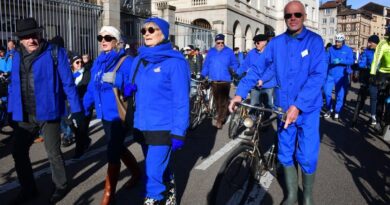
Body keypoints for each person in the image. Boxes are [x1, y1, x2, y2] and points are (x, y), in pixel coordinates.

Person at [229, 1, 327, 205]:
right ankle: (291, 195)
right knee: (285, 153)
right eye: (288, 15)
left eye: (297, 14)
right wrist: (240, 93)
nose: (292, 18)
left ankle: (307, 197)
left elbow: (318, 76)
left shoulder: (314, 41)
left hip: (307, 109)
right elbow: (257, 68)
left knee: (307, 156)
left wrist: (298, 105)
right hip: (283, 108)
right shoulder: (276, 43)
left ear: (304, 17)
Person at [8, 17, 85, 204]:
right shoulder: (16, 54)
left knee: (53, 153)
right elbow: (13, 84)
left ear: (40, 34)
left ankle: (61, 185)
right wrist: (11, 111)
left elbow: (68, 84)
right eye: (26, 37)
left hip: (48, 112)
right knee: (18, 151)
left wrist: (77, 111)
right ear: (20, 39)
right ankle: (28, 188)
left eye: (34, 35)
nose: (31, 40)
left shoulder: (54, 52)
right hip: (25, 114)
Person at [127, 17, 190, 204]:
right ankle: (170, 190)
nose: (147, 33)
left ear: (163, 33)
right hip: (142, 124)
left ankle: (153, 198)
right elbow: (133, 86)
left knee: (152, 171)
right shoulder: (139, 59)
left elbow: (181, 100)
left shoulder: (175, 62)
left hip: (164, 126)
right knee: (157, 166)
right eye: (144, 30)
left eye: (151, 30)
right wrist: (128, 88)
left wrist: (179, 131)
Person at [82, 25, 141, 204]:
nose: (103, 42)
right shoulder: (98, 62)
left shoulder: (126, 61)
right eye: (101, 38)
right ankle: (137, 172)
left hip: (118, 115)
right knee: (116, 146)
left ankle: (109, 194)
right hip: (104, 114)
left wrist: (121, 81)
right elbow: (92, 88)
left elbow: (136, 85)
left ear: (116, 42)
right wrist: (83, 109)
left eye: (108, 38)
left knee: (113, 150)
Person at [236, 34, 276, 135]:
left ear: (264, 42)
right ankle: (252, 126)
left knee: (268, 106)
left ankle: (265, 120)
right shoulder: (252, 53)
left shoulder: (271, 53)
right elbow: (245, 65)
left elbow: (272, 70)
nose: (256, 44)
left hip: (268, 84)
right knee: (254, 105)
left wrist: (263, 79)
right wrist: (237, 73)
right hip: (255, 84)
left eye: (258, 42)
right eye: (254, 42)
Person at [201, 34, 239, 129]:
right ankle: (220, 114)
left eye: (222, 42)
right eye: (218, 43)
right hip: (214, 80)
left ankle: (220, 120)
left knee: (223, 101)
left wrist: (234, 69)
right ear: (215, 42)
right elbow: (206, 65)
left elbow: (235, 63)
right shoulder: (211, 52)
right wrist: (203, 74)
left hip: (225, 81)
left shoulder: (229, 51)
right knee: (217, 101)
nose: (220, 44)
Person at [323, 33, 354, 120]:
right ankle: (329, 109)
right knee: (327, 93)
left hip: (341, 76)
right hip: (330, 75)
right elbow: (325, 60)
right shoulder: (330, 49)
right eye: (336, 41)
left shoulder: (348, 50)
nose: (337, 43)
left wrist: (341, 60)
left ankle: (337, 111)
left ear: (343, 41)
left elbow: (351, 61)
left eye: (339, 42)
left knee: (340, 95)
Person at [69, 53, 92, 159]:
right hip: (72, 106)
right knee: (72, 126)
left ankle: (78, 151)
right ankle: (86, 140)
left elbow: (86, 89)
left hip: (84, 105)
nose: (80, 64)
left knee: (81, 129)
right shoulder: (70, 76)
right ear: (72, 65)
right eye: (77, 62)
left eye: (81, 62)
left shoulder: (87, 73)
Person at [370, 25, 390, 132]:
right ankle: (378, 120)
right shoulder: (383, 44)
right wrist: (373, 75)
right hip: (383, 73)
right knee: (381, 98)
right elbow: (376, 60)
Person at [357, 35, 379, 125]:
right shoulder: (367, 52)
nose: (369, 44)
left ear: (376, 43)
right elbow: (362, 63)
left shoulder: (382, 51)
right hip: (371, 75)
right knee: (372, 93)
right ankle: (373, 116)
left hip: (382, 75)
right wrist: (361, 65)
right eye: (368, 42)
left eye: (371, 42)